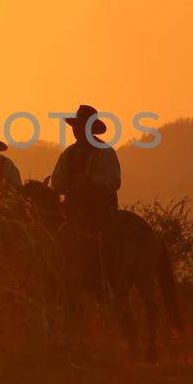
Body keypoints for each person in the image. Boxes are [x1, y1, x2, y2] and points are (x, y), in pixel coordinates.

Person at [50, 103, 121, 297]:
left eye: (81, 126)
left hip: (99, 208)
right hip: (72, 208)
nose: (77, 130)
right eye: (76, 126)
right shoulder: (68, 154)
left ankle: (105, 282)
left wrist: (90, 180)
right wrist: (65, 184)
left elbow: (114, 181)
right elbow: (55, 180)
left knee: (101, 243)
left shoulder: (105, 152)